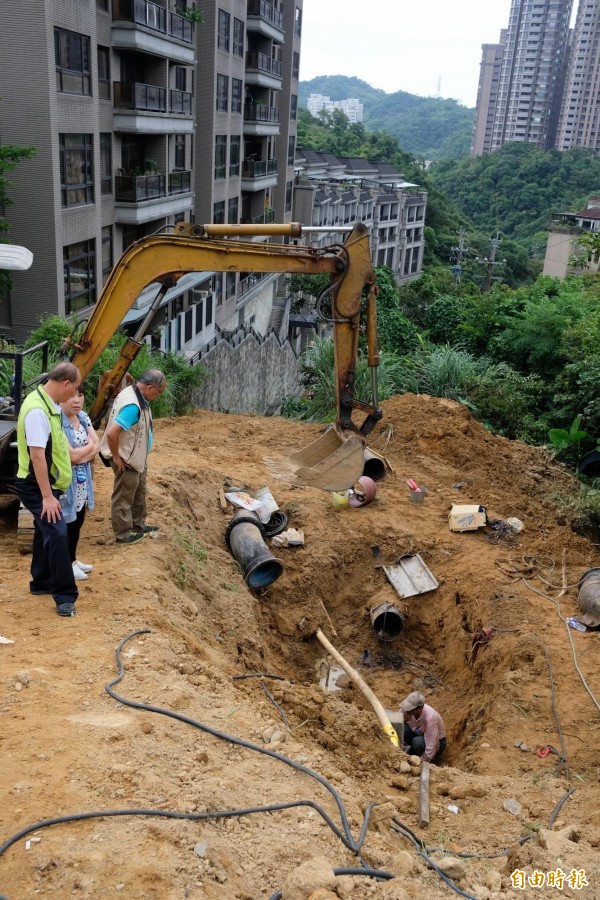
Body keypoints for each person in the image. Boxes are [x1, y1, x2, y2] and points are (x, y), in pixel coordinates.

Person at [14, 361, 80, 617]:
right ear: (65, 384)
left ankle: (40, 581)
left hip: (44, 483)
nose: (74, 395)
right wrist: (47, 496)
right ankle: (64, 595)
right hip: (36, 485)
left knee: (45, 531)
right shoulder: (37, 411)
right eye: (73, 390)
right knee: (57, 532)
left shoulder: (46, 404)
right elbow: (37, 457)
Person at [99, 369, 166, 545]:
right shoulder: (132, 405)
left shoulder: (134, 392)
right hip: (126, 459)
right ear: (151, 388)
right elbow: (112, 433)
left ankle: (138, 525)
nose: (159, 396)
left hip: (136, 456)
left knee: (138, 491)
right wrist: (117, 457)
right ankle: (123, 535)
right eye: (160, 392)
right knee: (123, 497)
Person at [60, 383, 100, 581]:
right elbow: (72, 456)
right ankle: (67, 564)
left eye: (80, 395)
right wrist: (86, 452)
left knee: (78, 521)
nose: (76, 400)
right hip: (67, 483)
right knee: (67, 523)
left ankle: (73, 560)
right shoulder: (57, 421)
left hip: (83, 481)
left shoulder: (83, 417)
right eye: (71, 396)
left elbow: (97, 445)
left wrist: (81, 455)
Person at [400, 691, 447, 764]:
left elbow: (433, 745)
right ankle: (413, 752)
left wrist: (421, 762)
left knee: (418, 742)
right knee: (403, 729)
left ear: (419, 709)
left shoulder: (430, 718)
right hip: (419, 733)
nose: (406, 710)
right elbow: (398, 720)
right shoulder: (408, 711)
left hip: (436, 742)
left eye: (410, 708)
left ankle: (431, 759)